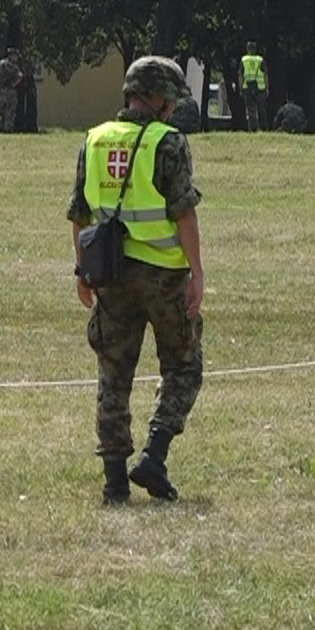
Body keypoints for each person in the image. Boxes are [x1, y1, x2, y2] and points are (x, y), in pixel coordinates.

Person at [68, 56, 206, 506]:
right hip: (164, 275)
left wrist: (81, 270)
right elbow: (183, 212)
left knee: (113, 376)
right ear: (157, 96)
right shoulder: (169, 142)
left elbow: (79, 215)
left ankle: (114, 484)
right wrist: (197, 273)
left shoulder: (94, 140)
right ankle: (155, 454)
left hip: (108, 274)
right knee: (183, 365)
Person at [0, 47, 28, 132]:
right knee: (10, 112)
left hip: (0, 91)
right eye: (16, 56)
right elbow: (20, 76)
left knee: (2, 113)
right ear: (11, 56)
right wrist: (14, 84)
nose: (17, 58)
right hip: (10, 91)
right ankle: (7, 130)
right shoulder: (13, 66)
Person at [239, 42, 267, 132]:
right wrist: (267, 87)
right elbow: (265, 74)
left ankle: (253, 128)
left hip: (247, 87)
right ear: (255, 49)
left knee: (251, 109)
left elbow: (241, 75)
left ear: (247, 49)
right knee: (261, 109)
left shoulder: (244, 60)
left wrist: (240, 88)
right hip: (260, 87)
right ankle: (263, 127)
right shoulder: (260, 59)